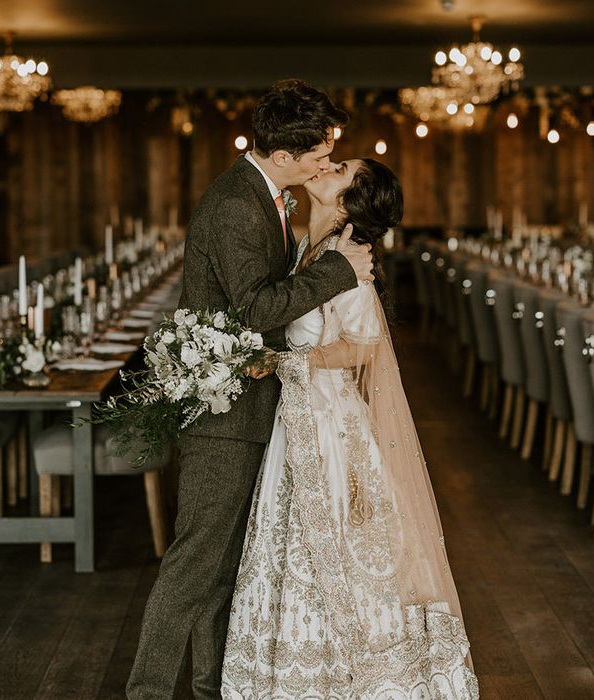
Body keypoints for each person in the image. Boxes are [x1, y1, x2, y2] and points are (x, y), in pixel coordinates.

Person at [127, 80, 375, 699]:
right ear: (285, 157)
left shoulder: (265, 195)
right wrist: (338, 271)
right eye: (319, 154)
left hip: (254, 401)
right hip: (225, 415)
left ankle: (213, 686)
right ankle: (148, 691)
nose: (326, 162)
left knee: (224, 570)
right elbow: (254, 308)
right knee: (195, 564)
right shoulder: (239, 203)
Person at [221, 159, 480, 698]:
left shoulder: (349, 263)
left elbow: (363, 347)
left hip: (328, 423)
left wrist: (283, 362)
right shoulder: (309, 249)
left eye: (338, 168)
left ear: (350, 199)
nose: (322, 166)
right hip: (298, 416)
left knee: (334, 545)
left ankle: (348, 673)